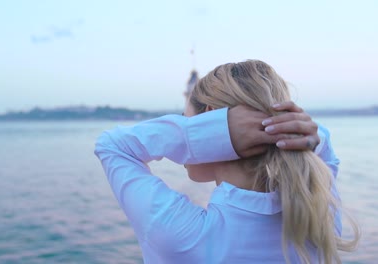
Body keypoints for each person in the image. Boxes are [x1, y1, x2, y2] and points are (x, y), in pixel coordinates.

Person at [94, 60, 359, 263]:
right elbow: (324, 149)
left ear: (211, 121)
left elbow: (112, 145)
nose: (187, 130)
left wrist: (216, 132)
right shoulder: (321, 217)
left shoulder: (182, 234)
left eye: (187, 122)